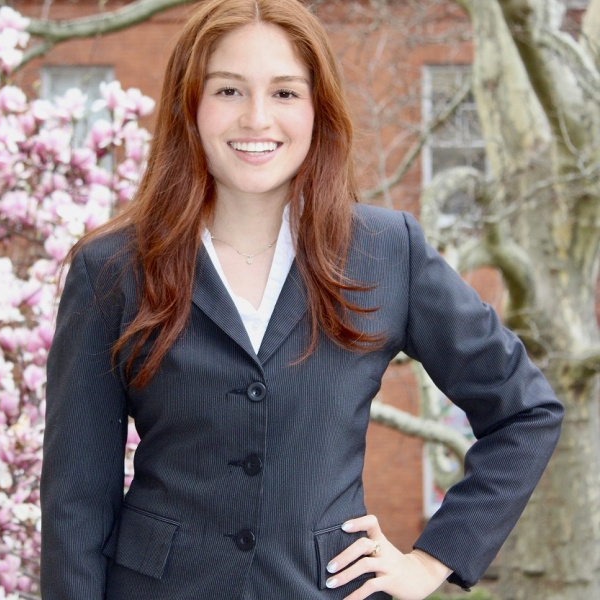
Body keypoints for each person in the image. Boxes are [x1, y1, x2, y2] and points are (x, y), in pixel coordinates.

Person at [40, 0, 564, 598]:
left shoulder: (389, 252)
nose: (257, 118)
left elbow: (525, 411)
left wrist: (431, 560)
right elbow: (75, 504)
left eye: (286, 93)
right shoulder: (112, 269)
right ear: (190, 104)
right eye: (229, 91)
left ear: (318, 107)